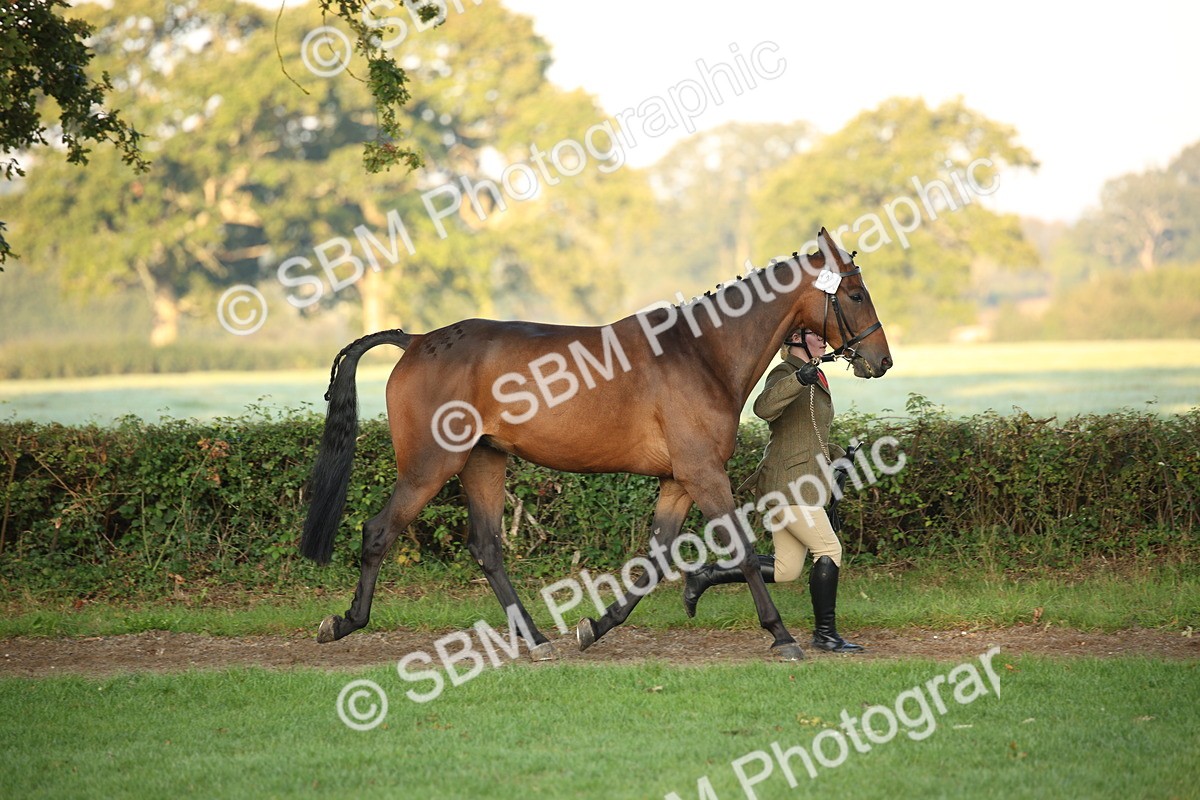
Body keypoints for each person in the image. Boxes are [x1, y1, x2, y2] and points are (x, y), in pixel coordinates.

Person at [681, 327, 863, 653]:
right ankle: (825, 635)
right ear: (794, 339)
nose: (823, 338)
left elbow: (807, 436)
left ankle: (705, 575)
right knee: (829, 550)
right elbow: (763, 408)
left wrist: (839, 456)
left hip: (801, 484)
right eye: (813, 334)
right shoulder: (784, 372)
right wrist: (799, 378)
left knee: (786, 569)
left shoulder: (815, 375)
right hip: (788, 486)